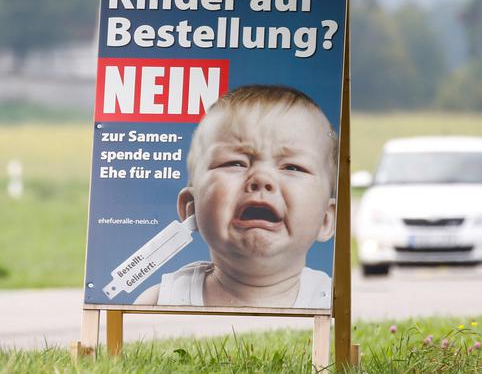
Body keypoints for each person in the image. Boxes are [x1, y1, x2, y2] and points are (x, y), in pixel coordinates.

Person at [135, 85, 337, 308]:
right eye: (235, 163)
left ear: (326, 220)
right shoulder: (161, 302)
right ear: (191, 208)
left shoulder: (331, 302)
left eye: (293, 167)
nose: (261, 178)